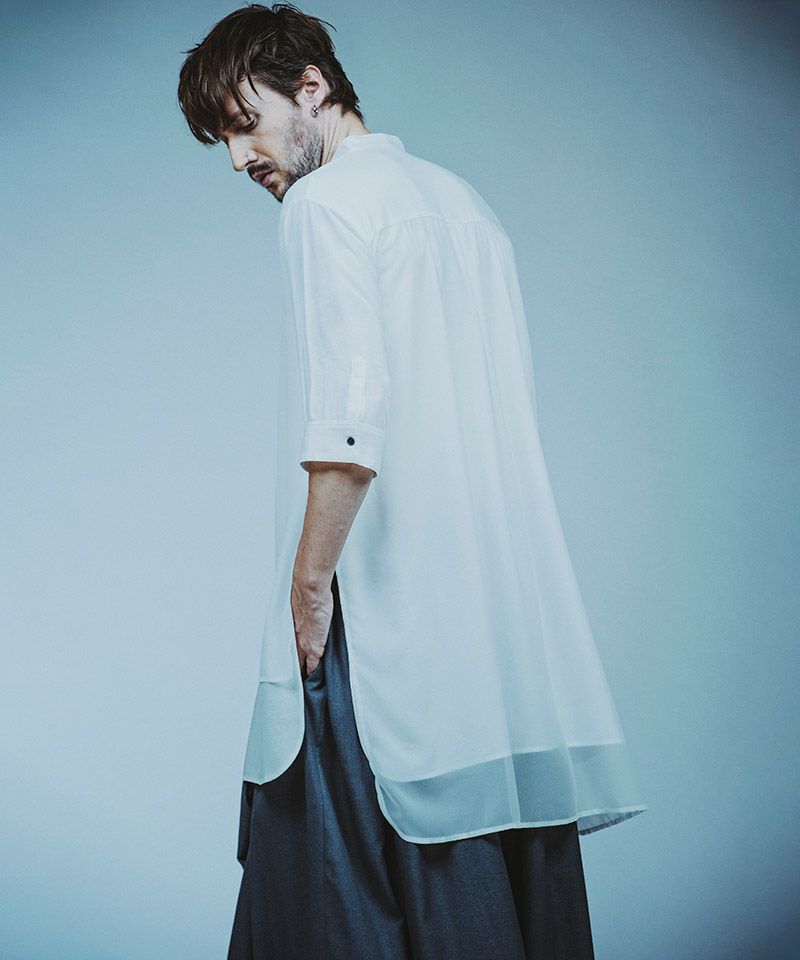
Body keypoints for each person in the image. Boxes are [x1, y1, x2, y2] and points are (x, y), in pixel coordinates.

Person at [177, 4, 647, 957]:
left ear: (311, 87)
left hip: (383, 612)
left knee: (335, 893)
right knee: (495, 873)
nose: (236, 159)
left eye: (243, 124)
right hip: (494, 624)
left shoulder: (324, 205)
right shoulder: (465, 206)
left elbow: (350, 424)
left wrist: (309, 589)